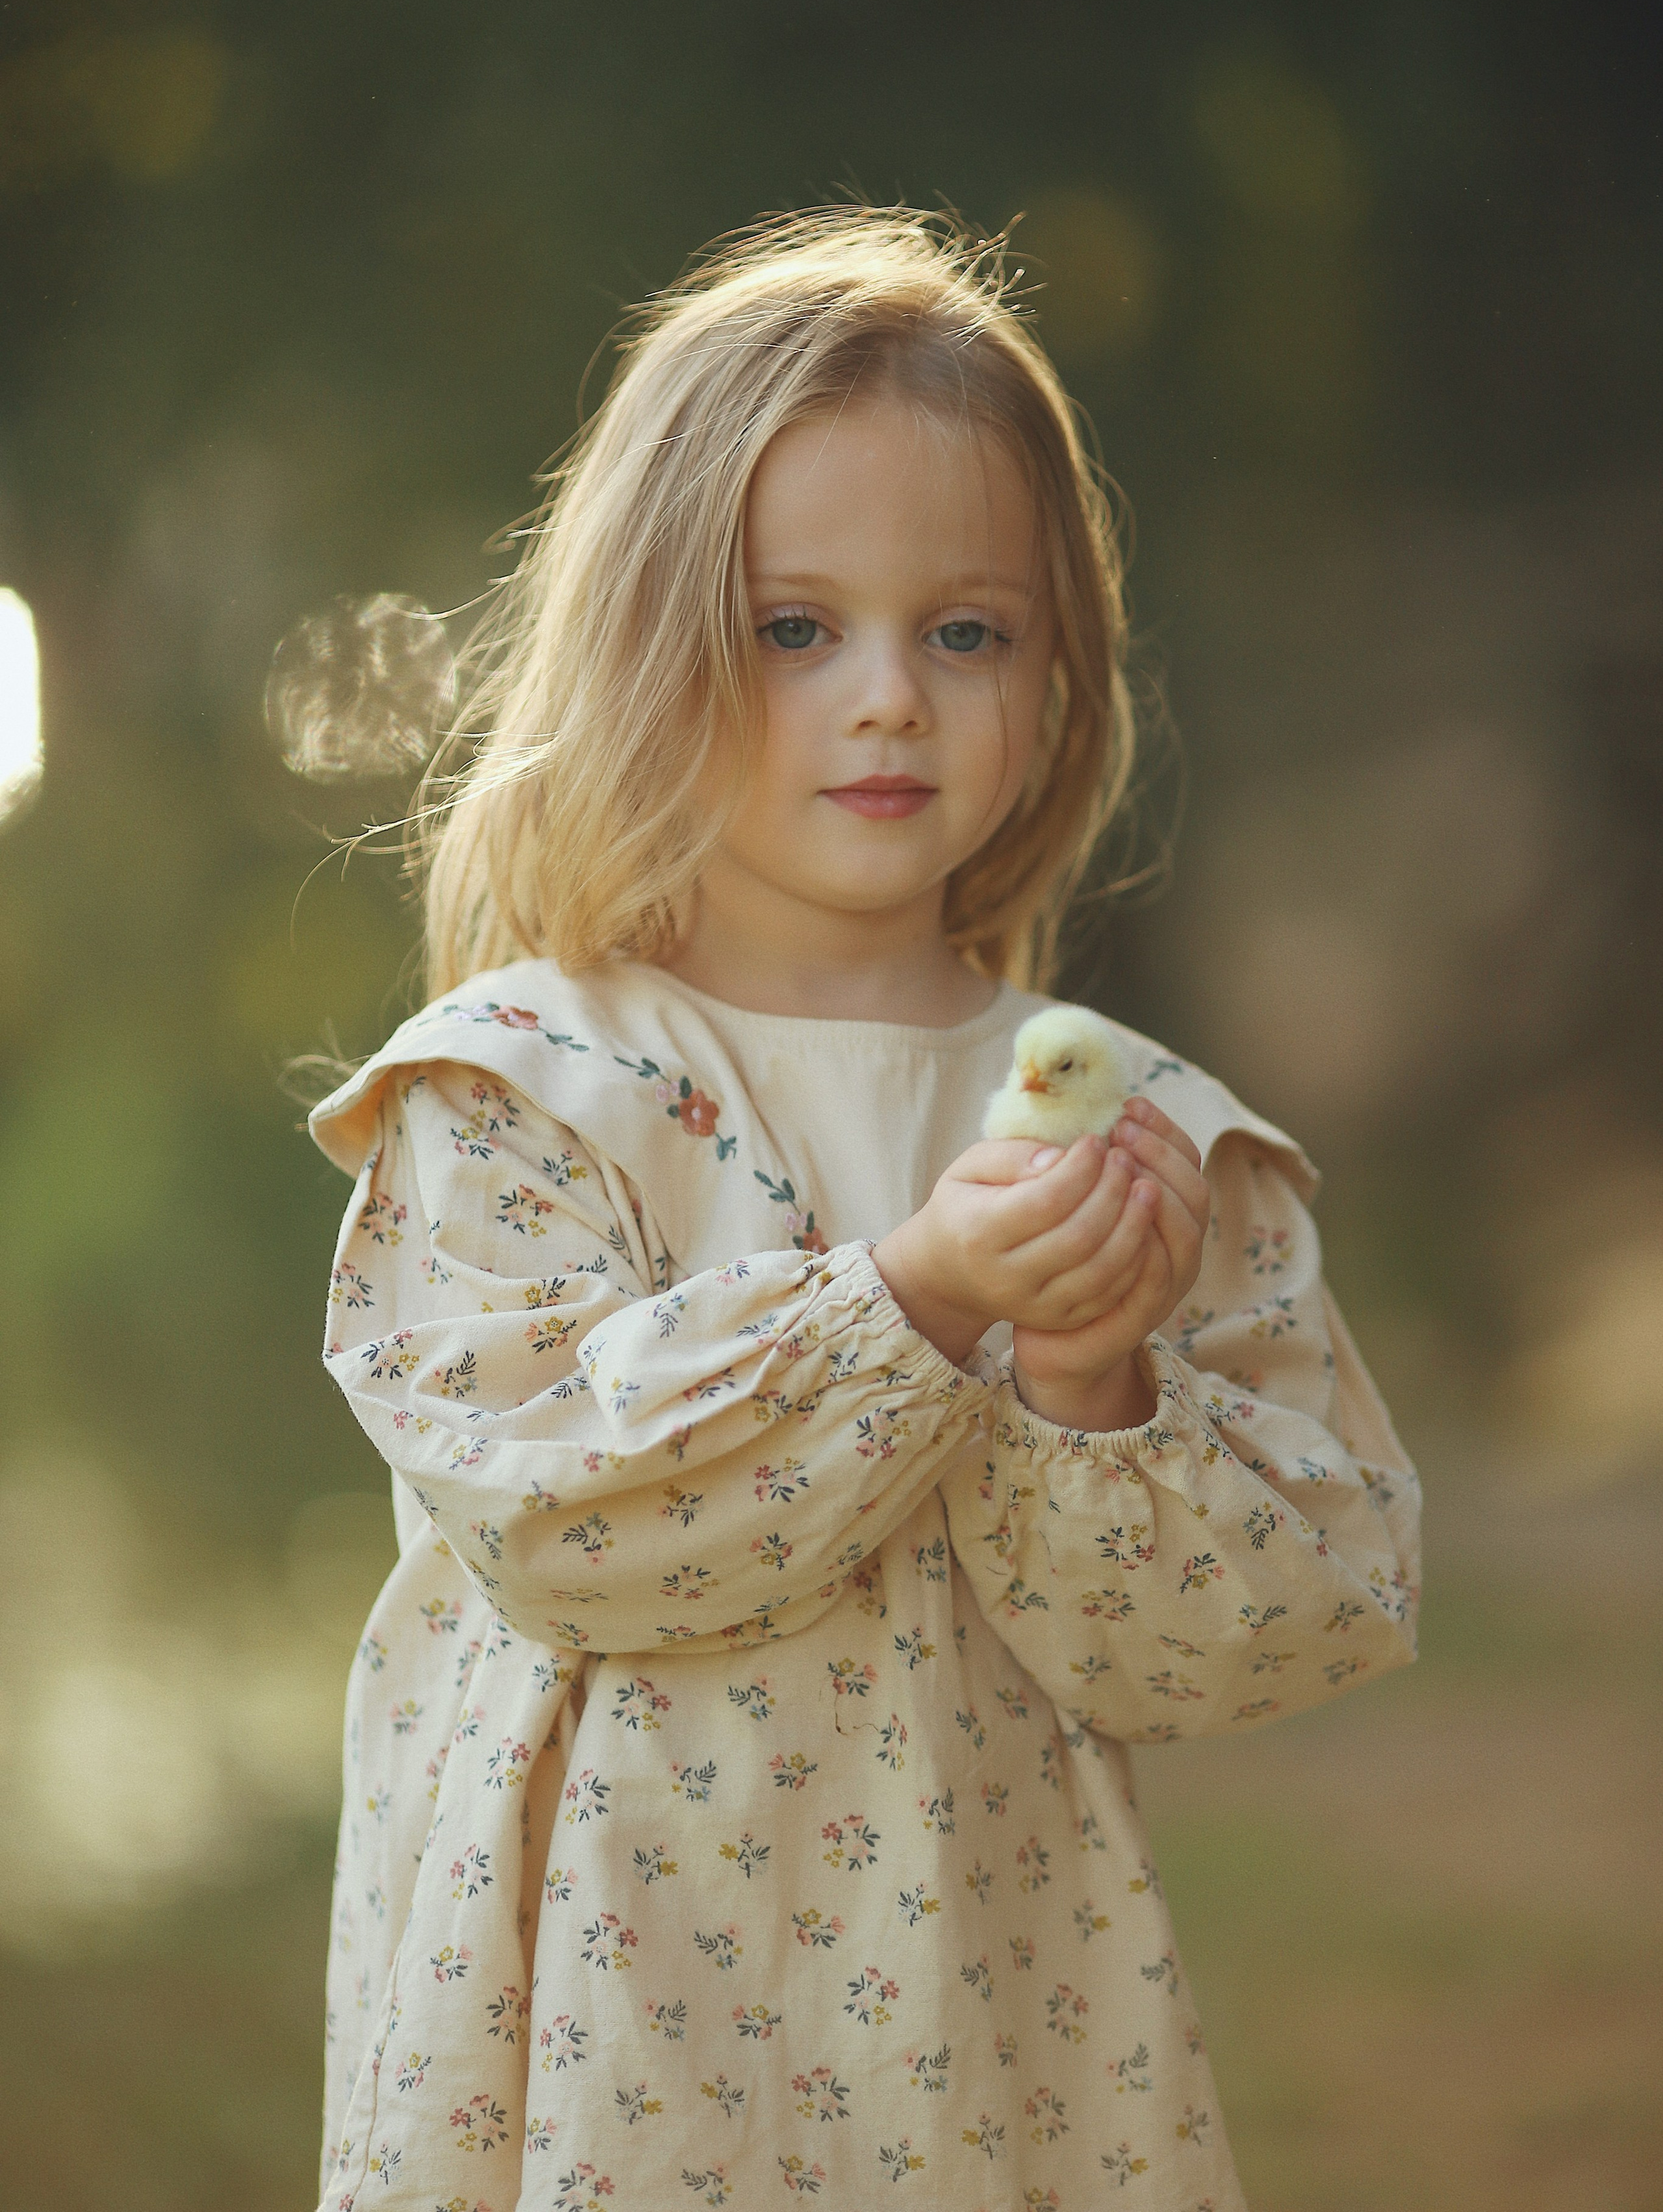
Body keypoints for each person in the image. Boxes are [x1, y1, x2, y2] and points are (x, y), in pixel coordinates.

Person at [308, 208, 1419, 2211]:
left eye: (966, 631)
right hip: (602, 2047)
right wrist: (907, 1301)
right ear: (646, 639)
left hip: (991, 2034)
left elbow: (1275, 1622)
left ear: (1059, 668)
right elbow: (566, 1517)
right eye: (794, 628)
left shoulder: (1134, 1133)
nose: (890, 697)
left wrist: (1087, 1374)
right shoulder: (519, 1084)